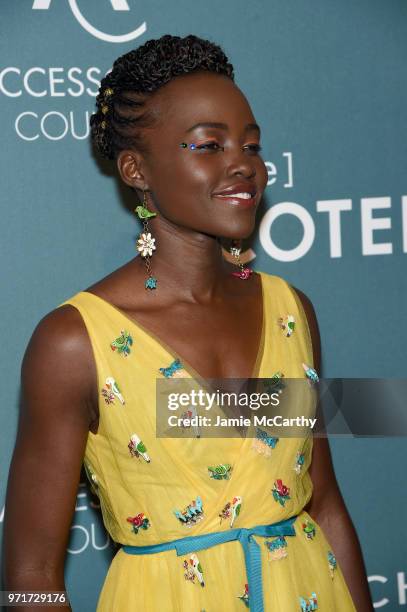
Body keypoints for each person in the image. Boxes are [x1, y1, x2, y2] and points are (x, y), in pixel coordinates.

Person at [3, 35, 373, 611]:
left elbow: (322, 502)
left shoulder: (289, 311)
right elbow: (30, 571)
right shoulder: (76, 341)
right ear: (135, 168)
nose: (243, 165)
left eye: (251, 145)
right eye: (208, 145)